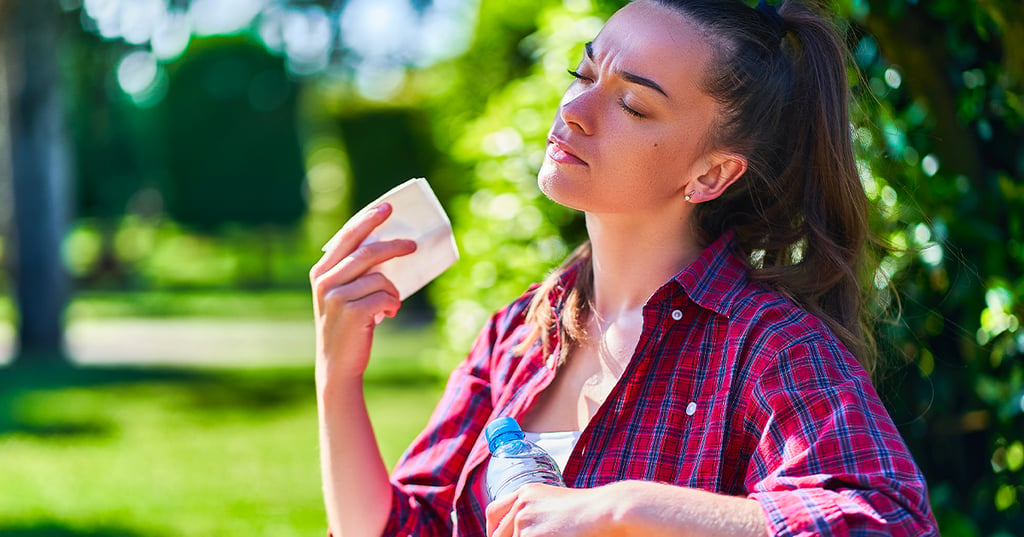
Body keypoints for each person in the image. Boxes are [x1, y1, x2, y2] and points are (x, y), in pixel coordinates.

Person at [309, 0, 940, 535]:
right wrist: (338, 374)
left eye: (633, 105)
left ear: (711, 174)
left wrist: (623, 508)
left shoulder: (770, 347)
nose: (575, 111)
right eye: (581, 74)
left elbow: (888, 519)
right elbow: (409, 524)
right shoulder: (519, 333)